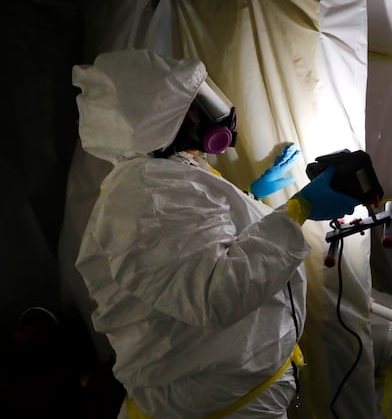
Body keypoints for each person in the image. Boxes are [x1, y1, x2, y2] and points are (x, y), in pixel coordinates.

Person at [71, 49, 360, 418]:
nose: (217, 112)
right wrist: (297, 211)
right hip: (219, 405)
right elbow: (214, 293)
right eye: (198, 103)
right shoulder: (149, 193)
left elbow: (201, 246)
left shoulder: (168, 174)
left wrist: (254, 198)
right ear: (161, 118)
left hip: (232, 391)